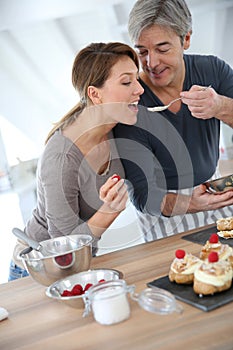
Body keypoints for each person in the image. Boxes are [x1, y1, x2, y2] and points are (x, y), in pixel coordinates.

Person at [9, 42, 144, 281]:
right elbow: (67, 248)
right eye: (126, 82)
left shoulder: (117, 127)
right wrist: (109, 211)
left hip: (77, 266)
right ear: (95, 94)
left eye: (137, 79)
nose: (139, 89)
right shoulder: (60, 158)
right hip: (38, 269)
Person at [114, 0, 233, 241]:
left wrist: (220, 106)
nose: (152, 63)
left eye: (162, 49)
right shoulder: (129, 101)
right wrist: (189, 203)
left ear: (186, 39)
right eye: (142, 52)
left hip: (215, 196)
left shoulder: (212, 69)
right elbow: (143, 196)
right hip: (164, 218)